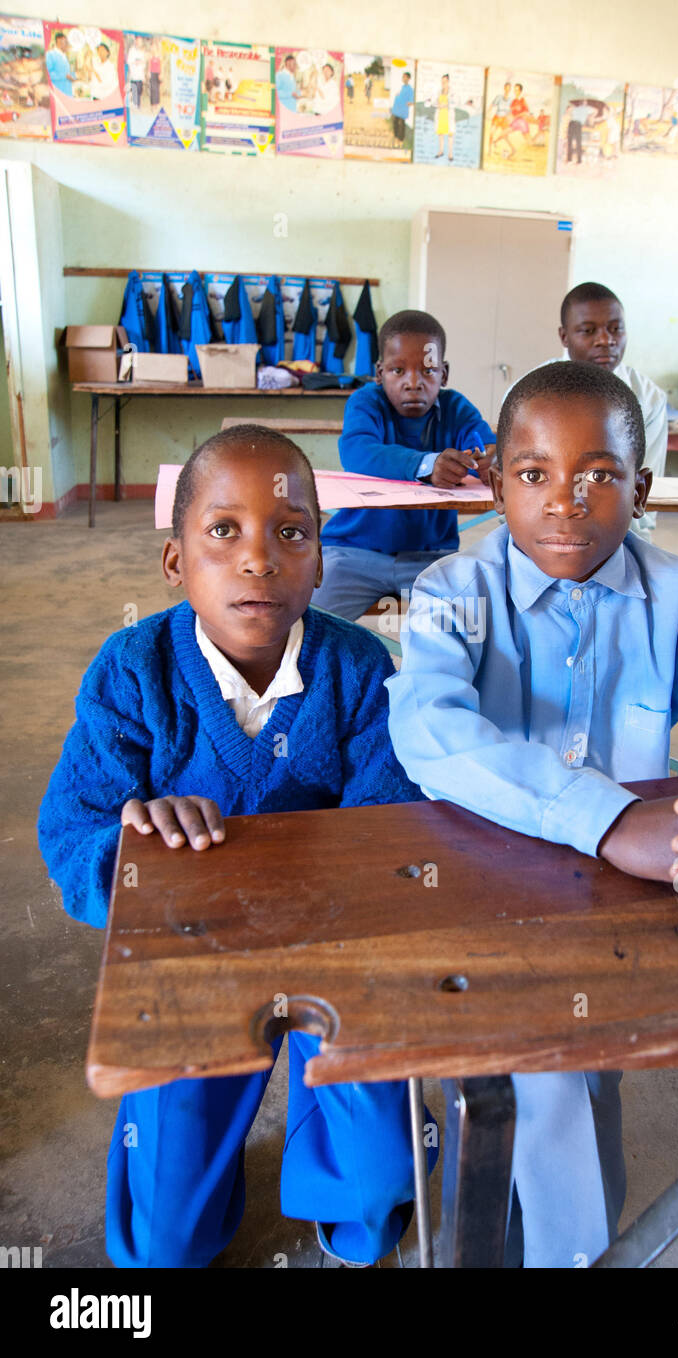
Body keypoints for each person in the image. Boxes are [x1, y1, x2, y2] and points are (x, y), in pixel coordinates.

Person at [386, 360, 678, 1268]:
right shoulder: (452, 594)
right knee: (531, 1105)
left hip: (624, 918)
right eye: (533, 475)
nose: (565, 502)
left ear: (641, 489)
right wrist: (608, 820)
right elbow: (430, 729)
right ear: (492, 482)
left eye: (598, 475)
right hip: (483, 901)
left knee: (581, 1081)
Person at [38, 426, 437, 1268]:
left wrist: (321, 894)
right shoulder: (132, 669)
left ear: (324, 561)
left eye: (291, 533)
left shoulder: (362, 670)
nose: (258, 560)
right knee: (164, 1242)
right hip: (193, 961)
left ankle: (343, 1194)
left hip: (333, 955)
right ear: (175, 561)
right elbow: (72, 829)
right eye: (224, 531)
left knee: (378, 1178)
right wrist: (133, 847)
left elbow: (388, 831)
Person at [311, 310, 495, 622]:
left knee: (472, 622)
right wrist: (425, 464)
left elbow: (486, 446)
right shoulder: (366, 402)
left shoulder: (456, 409)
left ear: (444, 374)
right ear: (379, 373)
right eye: (398, 371)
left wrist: (493, 458)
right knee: (308, 621)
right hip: (352, 554)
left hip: (431, 559)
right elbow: (357, 450)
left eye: (428, 371)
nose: (413, 383)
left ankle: (438, 671)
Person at [511, 282, 668, 539]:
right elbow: (520, 484)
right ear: (564, 337)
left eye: (616, 329)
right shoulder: (528, 394)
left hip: (620, 532)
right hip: (541, 531)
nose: (606, 340)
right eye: (588, 331)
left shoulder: (648, 398)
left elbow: (644, 492)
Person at [45, 31, 76, 97]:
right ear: (60, 42)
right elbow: (47, 74)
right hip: (57, 95)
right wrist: (64, 76)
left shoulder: (65, 56)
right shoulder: (50, 55)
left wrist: (74, 76)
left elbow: (68, 74)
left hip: (67, 94)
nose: (68, 45)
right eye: (66, 43)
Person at [435, 73, 454, 161]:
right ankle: (441, 151)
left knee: (450, 135)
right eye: (442, 82)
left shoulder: (452, 92)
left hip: (448, 115)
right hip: (441, 115)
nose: (443, 83)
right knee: (441, 134)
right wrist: (439, 104)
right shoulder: (439, 91)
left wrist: (445, 105)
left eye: (445, 81)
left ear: (448, 82)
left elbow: (454, 103)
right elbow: (436, 101)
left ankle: (450, 154)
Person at [391, 70, 413, 143]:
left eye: (405, 77)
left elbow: (411, 101)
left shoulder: (410, 89)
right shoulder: (401, 87)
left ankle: (400, 139)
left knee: (401, 125)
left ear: (408, 78)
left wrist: (407, 103)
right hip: (396, 109)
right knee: (395, 123)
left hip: (403, 110)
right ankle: (396, 136)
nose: (403, 78)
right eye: (403, 77)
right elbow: (397, 95)